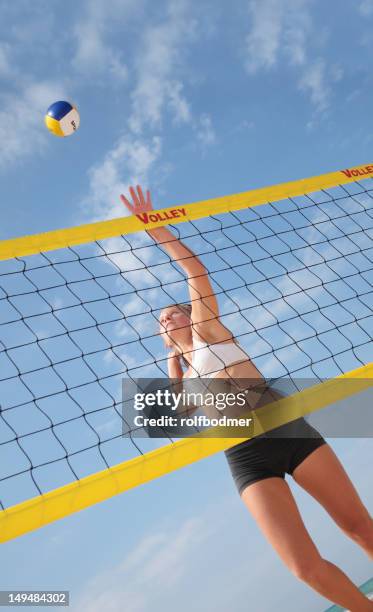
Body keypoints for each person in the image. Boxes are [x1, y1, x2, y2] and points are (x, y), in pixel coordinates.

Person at [121, 185, 373, 611]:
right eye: (160, 321)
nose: (166, 319)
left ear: (188, 314)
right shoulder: (181, 371)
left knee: (356, 526)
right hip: (245, 456)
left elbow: (195, 275)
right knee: (303, 567)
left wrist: (159, 234)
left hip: (285, 428)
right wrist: (173, 362)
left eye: (171, 312)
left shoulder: (208, 332)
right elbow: (180, 413)